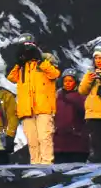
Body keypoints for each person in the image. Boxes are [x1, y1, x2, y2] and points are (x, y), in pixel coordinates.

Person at [6, 33, 61, 165]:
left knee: (45, 138)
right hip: (27, 109)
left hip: (43, 107)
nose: (28, 50)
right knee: (32, 141)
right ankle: (35, 165)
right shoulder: (21, 67)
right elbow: (11, 78)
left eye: (30, 46)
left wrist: (40, 60)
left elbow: (55, 74)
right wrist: (19, 62)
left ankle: (47, 164)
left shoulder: (45, 62)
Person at [53, 68, 89, 163]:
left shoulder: (82, 97)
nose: (67, 83)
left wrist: (72, 98)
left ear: (76, 82)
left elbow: (85, 112)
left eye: (70, 81)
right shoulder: (57, 97)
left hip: (77, 144)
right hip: (59, 144)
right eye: (65, 81)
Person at [0, 80, 19, 165]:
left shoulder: (6, 96)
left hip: (1, 137)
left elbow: (12, 118)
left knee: (3, 166)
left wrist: (10, 135)